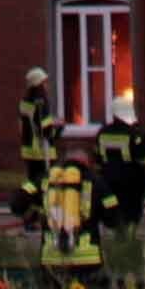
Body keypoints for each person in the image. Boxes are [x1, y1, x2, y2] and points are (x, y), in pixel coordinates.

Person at [37, 122, 102, 271]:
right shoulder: (95, 180)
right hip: (87, 259)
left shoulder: (46, 180)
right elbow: (112, 215)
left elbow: (18, 202)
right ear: (85, 161)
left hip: (51, 258)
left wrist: (34, 214)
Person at [95, 87, 145, 240]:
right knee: (132, 211)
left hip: (108, 179)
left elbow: (97, 157)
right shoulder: (133, 134)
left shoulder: (102, 132)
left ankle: (118, 234)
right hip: (131, 180)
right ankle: (129, 237)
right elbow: (141, 158)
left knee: (115, 210)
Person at [13, 67, 57, 224]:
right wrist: (58, 128)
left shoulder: (25, 101)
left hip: (28, 150)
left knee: (32, 183)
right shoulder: (41, 102)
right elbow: (45, 129)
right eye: (45, 82)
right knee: (43, 185)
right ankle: (37, 216)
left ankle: (29, 213)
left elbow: (24, 124)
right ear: (39, 83)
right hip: (41, 151)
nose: (47, 85)